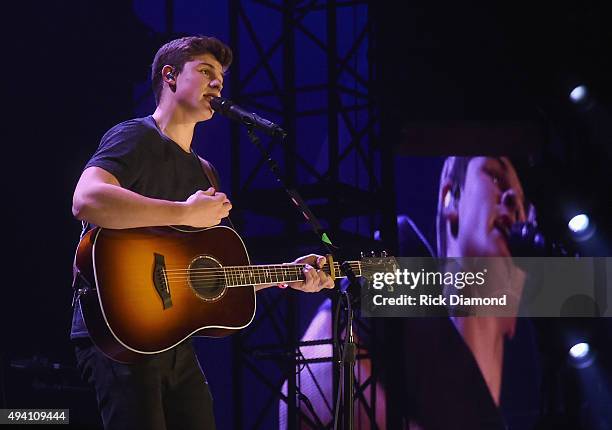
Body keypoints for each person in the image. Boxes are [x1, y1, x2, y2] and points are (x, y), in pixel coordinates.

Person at [70, 35, 334, 430]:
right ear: (170, 77)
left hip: (173, 340)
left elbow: (204, 276)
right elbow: (86, 199)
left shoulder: (204, 172)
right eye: (206, 72)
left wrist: (288, 275)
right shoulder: (136, 136)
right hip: (118, 331)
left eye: (222, 79)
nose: (217, 84)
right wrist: (185, 212)